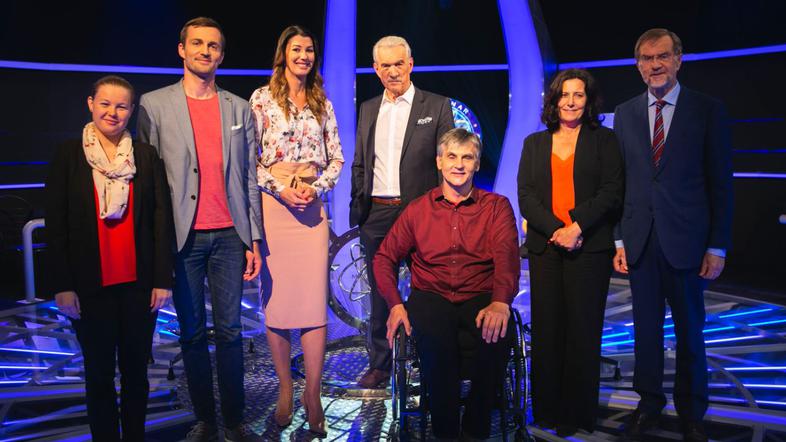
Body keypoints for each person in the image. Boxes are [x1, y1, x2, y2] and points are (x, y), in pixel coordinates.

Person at [136, 17, 263, 441]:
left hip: (229, 235)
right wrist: (156, 245)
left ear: (221, 55)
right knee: (191, 334)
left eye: (213, 46)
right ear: (182, 49)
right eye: (197, 43)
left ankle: (234, 419)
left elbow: (248, 177)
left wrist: (254, 239)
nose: (205, 51)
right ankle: (205, 419)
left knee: (230, 332)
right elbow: (149, 180)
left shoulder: (239, 108)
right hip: (182, 237)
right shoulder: (154, 105)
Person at [613, 29, 733, 442]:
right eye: (647, 59)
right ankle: (649, 404)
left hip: (688, 243)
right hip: (641, 241)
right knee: (645, 332)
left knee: (690, 333)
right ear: (638, 66)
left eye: (662, 56)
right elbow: (620, 181)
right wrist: (619, 239)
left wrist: (717, 245)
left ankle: (692, 411)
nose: (655, 65)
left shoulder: (707, 110)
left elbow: (721, 183)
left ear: (679, 59)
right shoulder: (625, 113)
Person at [46, 75, 173, 441]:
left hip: (138, 287)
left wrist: (162, 279)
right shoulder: (68, 155)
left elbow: (160, 220)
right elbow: (56, 225)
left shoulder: (145, 156)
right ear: (91, 104)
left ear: (131, 111)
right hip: (89, 289)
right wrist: (63, 285)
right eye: (105, 104)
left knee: (136, 375)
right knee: (99, 375)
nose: (112, 112)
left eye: (121, 106)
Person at [374, 128, 519, 440]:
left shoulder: (497, 207)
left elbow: (507, 257)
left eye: (467, 157)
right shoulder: (418, 209)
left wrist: (500, 302)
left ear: (477, 164)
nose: (459, 164)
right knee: (436, 344)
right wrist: (395, 305)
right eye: (452, 157)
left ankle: (476, 429)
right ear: (439, 162)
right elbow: (384, 257)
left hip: (480, 292)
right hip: (432, 293)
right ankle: (445, 432)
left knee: (497, 336)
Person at [517, 69, 624, 436]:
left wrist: (576, 227)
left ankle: (575, 414)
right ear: (554, 100)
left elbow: (612, 191)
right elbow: (526, 196)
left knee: (582, 331)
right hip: (546, 248)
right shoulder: (534, 143)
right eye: (564, 94)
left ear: (588, 100)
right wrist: (556, 230)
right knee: (548, 331)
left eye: (579, 95)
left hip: (588, 247)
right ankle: (546, 410)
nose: (571, 101)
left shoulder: (605, 140)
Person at [249, 25, 343, 437]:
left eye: (309, 50)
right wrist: (281, 189)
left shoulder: (323, 101)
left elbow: (337, 159)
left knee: (311, 302)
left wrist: (315, 188)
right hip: (275, 207)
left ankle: (313, 394)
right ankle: (286, 389)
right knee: (279, 303)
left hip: (311, 208)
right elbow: (249, 160)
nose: (303, 55)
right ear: (283, 54)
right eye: (296, 49)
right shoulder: (261, 98)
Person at [350, 35, 455, 389]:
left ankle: (428, 359)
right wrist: (358, 207)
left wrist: (443, 211)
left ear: (411, 64)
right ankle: (380, 364)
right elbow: (361, 162)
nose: (393, 71)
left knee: (429, 290)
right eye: (386, 65)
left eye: (399, 63)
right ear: (375, 69)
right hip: (377, 213)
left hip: (422, 212)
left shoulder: (437, 105)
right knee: (381, 292)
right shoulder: (368, 108)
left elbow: (447, 162)